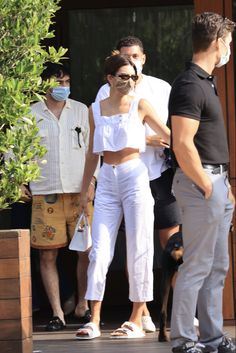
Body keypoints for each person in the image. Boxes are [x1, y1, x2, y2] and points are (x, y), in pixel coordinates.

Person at [75, 53, 170, 340]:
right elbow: (93, 151)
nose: (129, 81)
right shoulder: (95, 109)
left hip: (134, 174)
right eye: (123, 76)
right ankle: (94, 319)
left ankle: (136, 318)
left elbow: (170, 135)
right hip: (106, 178)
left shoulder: (140, 104)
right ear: (110, 78)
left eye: (133, 76)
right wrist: (84, 189)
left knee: (139, 245)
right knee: (100, 250)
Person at [96, 35, 182, 332]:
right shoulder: (104, 92)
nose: (131, 62)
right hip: (120, 176)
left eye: (135, 56)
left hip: (158, 174)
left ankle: (176, 312)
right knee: (125, 245)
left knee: (169, 245)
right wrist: (144, 138)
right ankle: (140, 312)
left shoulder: (161, 88)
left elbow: (172, 131)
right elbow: (104, 136)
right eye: (124, 56)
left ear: (143, 57)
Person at [168, 12, 235, 353]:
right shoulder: (190, 83)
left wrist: (223, 186)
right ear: (216, 43)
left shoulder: (206, 81)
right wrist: (208, 186)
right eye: (228, 42)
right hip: (201, 184)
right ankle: (183, 340)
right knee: (196, 265)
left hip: (216, 182)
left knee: (217, 266)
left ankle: (211, 338)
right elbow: (182, 142)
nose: (229, 48)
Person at [27, 62, 99, 331]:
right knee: (47, 256)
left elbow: (95, 150)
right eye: (59, 83)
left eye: (67, 82)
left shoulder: (81, 111)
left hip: (81, 192)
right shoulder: (30, 114)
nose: (63, 87)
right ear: (45, 84)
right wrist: (20, 181)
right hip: (46, 193)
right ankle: (58, 313)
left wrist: (92, 181)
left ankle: (84, 304)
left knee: (88, 251)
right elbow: (15, 151)